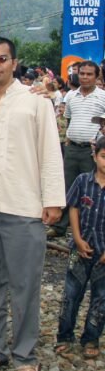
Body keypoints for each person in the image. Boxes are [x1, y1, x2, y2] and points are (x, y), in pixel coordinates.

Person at [0, 37, 65, 371]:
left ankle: (25, 355)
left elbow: (49, 151)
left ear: (14, 62)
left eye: (2, 59)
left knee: (24, 285)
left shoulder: (35, 102)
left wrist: (52, 200)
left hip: (23, 205)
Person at [55, 136, 105, 359]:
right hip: (80, 249)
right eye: (103, 156)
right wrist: (77, 238)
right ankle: (64, 336)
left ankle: (91, 338)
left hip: (103, 253)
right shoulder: (83, 181)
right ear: (94, 156)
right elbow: (74, 208)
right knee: (71, 295)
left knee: (100, 299)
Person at [54, 61, 105, 238]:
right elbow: (68, 119)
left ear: (96, 76)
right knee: (67, 187)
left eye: (89, 74)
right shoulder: (70, 96)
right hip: (72, 148)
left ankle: (85, 230)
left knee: (89, 190)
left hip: (92, 151)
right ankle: (60, 226)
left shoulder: (103, 97)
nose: (84, 77)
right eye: (82, 73)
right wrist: (69, 140)